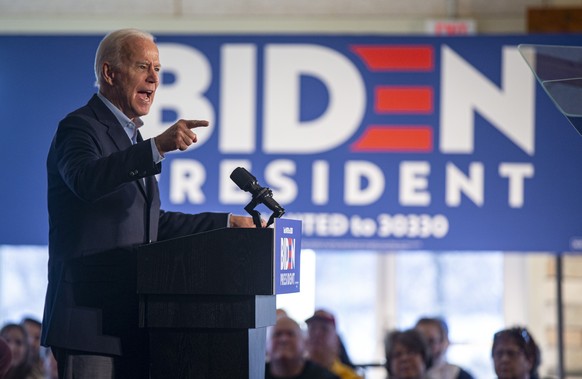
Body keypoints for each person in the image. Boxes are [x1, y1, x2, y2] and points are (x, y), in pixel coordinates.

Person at [41, 28, 257, 379]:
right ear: (110, 73)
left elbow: (155, 222)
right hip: (88, 322)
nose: (154, 78)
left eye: (157, 69)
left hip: (134, 320)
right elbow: (85, 180)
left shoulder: (132, 138)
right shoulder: (79, 127)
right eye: (143, 66)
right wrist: (155, 147)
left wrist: (228, 223)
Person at [266, 316, 339, 379]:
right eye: (277, 334)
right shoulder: (256, 374)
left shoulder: (326, 377)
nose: (284, 339)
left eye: (290, 334)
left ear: (304, 343)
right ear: (266, 344)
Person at [305, 309, 362, 379]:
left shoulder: (350, 377)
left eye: (324, 329)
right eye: (312, 329)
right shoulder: (292, 372)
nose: (317, 334)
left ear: (337, 341)